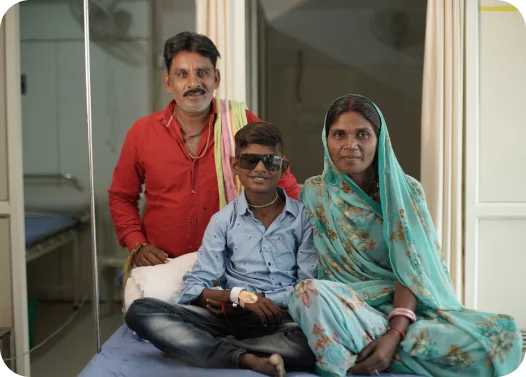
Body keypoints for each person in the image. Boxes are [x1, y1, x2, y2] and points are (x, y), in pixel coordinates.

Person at [288, 94, 522, 377]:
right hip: (348, 309)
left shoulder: (406, 191)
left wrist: (395, 333)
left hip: (404, 312)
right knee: (307, 293)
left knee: (504, 336)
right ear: (327, 140)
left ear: (380, 139)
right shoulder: (315, 192)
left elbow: (413, 270)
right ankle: (383, 352)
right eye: (339, 134)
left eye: (363, 134)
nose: (350, 145)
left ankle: (370, 352)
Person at [125, 122, 318, 377]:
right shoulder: (222, 221)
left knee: (310, 347)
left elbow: (309, 285)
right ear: (234, 165)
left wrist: (268, 301)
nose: (260, 169)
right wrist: (238, 297)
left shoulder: (304, 218)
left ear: (283, 166)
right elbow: (194, 286)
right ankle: (246, 358)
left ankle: (205, 349)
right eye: (250, 161)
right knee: (141, 311)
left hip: (280, 321)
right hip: (229, 315)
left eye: (270, 161)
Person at [108, 32, 300, 266]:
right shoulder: (142, 133)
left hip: (235, 265)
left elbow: (285, 185)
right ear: (168, 82)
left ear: (216, 78)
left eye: (203, 72)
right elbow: (121, 196)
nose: (194, 83)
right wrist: (136, 243)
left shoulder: (242, 124)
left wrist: (304, 240)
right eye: (182, 74)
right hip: (164, 266)